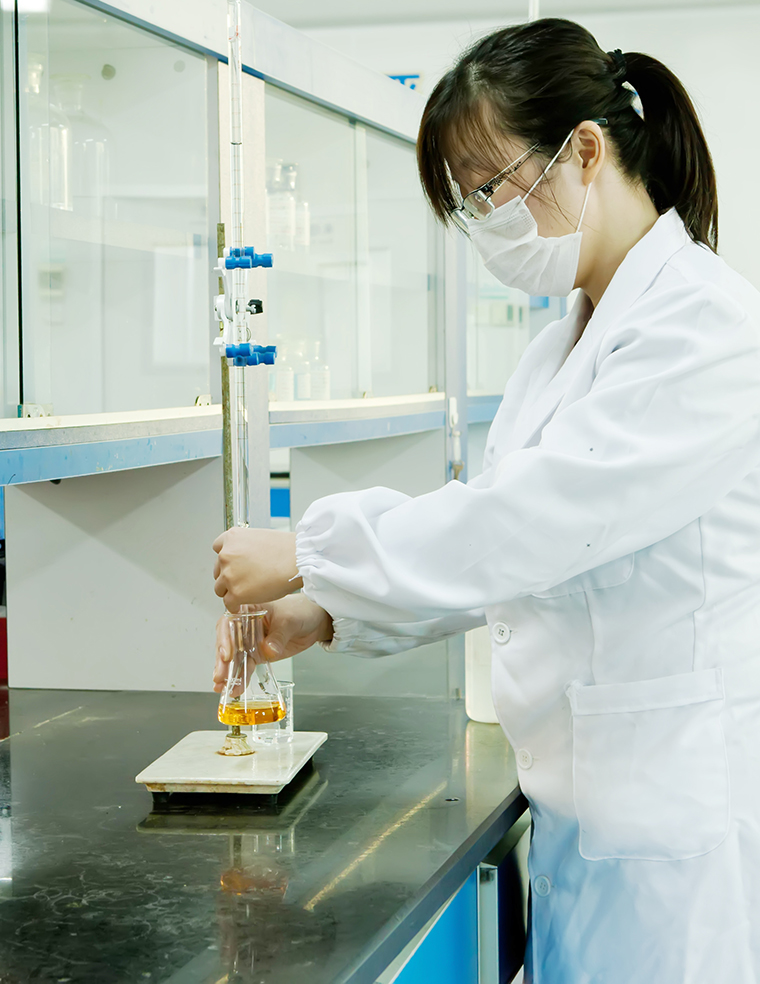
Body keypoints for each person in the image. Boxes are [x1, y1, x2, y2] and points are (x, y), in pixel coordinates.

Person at [213, 18, 760, 983]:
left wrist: (308, 550)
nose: (484, 221)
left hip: (676, 839)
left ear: (583, 151)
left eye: (488, 185)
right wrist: (326, 613)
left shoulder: (705, 326)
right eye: (466, 202)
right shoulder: (562, 343)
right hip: (592, 809)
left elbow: (537, 521)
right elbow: (508, 548)